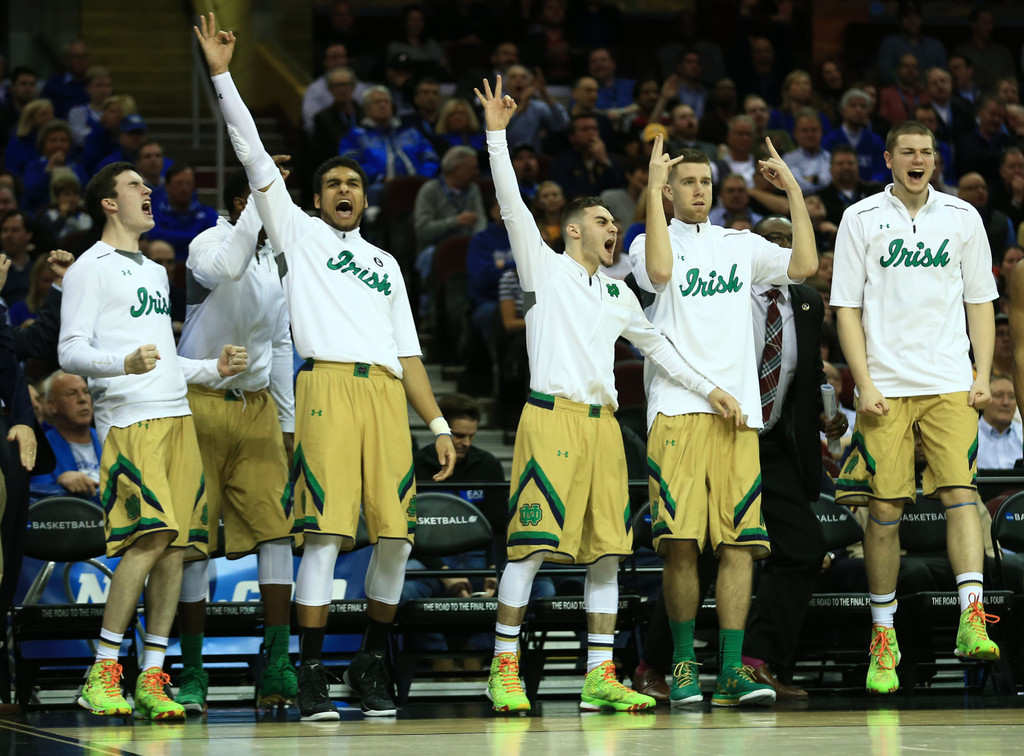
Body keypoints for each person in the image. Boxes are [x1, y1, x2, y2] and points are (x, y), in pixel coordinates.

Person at [197, 13, 455, 721]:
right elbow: (252, 153)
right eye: (334, 183)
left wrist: (435, 420)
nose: (345, 190)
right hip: (327, 388)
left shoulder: (387, 264)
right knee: (329, 534)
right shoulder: (301, 236)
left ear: (366, 199)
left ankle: (369, 664)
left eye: (355, 185)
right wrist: (222, 75)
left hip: (386, 398)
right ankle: (310, 674)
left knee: (396, 539)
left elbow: (409, 352)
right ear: (315, 199)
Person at [475, 75, 738, 714]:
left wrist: (715, 390)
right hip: (551, 419)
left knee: (607, 556)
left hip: (603, 428)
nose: (612, 228)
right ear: (571, 233)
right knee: (532, 547)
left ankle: (599, 676)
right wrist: (496, 136)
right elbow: (510, 203)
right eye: (602, 221)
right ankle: (502, 668)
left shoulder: (619, 293)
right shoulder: (544, 269)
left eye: (614, 222)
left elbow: (661, 351)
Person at [630, 127, 817, 707]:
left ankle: (733, 670)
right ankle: (682, 665)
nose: (699, 190)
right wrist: (652, 193)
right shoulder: (646, 242)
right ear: (668, 190)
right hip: (679, 410)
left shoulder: (740, 245)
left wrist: (792, 192)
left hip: (740, 419)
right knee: (682, 545)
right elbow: (659, 275)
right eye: (686, 182)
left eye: (705, 181)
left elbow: (806, 266)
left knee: (740, 546)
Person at [59, 160, 248, 719]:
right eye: (134, 185)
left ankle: (152, 675)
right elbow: (70, 351)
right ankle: (101, 671)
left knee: (178, 548)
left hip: (176, 418)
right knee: (148, 540)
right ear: (108, 204)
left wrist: (212, 368)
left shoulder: (154, 271)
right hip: (129, 422)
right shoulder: (89, 269)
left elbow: (163, 361)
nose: (148, 191)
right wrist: (121, 362)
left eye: (147, 184)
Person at [831, 120, 1000, 695]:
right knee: (884, 510)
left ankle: (971, 617)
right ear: (888, 159)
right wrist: (862, 381)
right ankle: (884, 636)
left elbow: (980, 300)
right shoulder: (859, 219)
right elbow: (846, 309)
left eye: (926, 151)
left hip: (950, 380)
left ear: (935, 160)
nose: (918, 159)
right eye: (907, 151)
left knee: (962, 494)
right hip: (886, 388)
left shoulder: (963, 218)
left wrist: (981, 375)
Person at [174, 166, 297, 714]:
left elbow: (282, 344)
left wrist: (289, 423)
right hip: (200, 403)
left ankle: (276, 664)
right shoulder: (209, 241)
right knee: (197, 537)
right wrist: (258, 199)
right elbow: (227, 266)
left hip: (258, 411)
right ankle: (194, 671)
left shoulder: (278, 264)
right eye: (265, 198)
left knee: (276, 530)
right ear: (242, 201)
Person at [30, 370, 101, 499]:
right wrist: (59, 481)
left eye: (86, 391)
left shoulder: (110, 440)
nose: (82, 399)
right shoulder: (40, 449)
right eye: (72, 393)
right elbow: (34, 496)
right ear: (52, 405)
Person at [148, 164, 219, 260]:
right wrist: (197, 236)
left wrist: (170, 236)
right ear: (167, 186)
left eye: (188, 183)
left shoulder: (207, 213)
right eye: (179, 183)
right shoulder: (154, 211)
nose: (184, 188)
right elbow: (154, 235)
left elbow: (215, 238)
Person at [822, 89, 889, 184]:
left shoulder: (876, 141)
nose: (858, 110)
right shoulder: (829, 140)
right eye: (853, 105)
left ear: (868, 112)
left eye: (863, 106)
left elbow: (883, 169)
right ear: (842, 110)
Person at [875, 1, 946, 86]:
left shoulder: (935, 45)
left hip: (930, 93)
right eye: (907, 17)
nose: (912, 21)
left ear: (921, 19)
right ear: (899, 20)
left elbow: (944, 75)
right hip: (900, 93)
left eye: (916, 17)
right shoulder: (889, 43)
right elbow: (884, 74)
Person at [976, 374, 1022, 470]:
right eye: (998, 395)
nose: (1006, 402)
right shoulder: (969, 437)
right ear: (983, 400)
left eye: (1012, 397)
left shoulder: (1022, 435)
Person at [782, 109, 831, 195]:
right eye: (805, 130)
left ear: (821, 132)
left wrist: (810, 179)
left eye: (814, 130)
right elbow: (796, 186)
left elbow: (829, 184)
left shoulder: (829, 158)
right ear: (795, 133)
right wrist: (818, 180)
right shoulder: (787, 159)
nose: (810, 134)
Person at [67, 66, 113, 148]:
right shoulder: (78, 112)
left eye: (108, 85)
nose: (104, 90)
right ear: (88, 88)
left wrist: (90, 130)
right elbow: (79, 139)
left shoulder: (117, 111)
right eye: (99, 85)